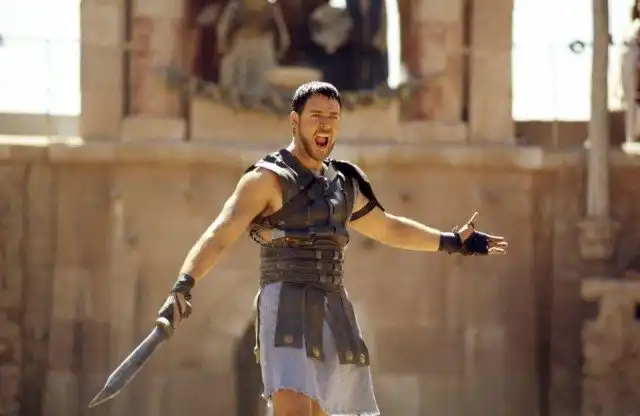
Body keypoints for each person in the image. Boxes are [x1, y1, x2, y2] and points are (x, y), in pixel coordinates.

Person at [157, 81, 509, 416]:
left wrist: (451, 241)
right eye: (316, 116)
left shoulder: (343, 184)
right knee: (294, 410)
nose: (325, 124)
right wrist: (183, 284)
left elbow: (388, 227)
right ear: (295, 121)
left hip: (333, 304)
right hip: (286, 303)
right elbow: (220, 233)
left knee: (326, 412)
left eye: (333, 117)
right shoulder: (266, 180)